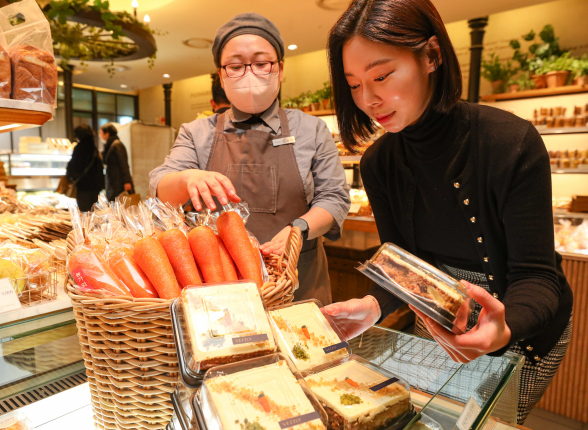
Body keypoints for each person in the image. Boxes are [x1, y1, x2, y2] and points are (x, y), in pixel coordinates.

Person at [320, 0, 573, 424]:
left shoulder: (509, 142)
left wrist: (502, 329)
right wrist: (372, 304)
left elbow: (538, 277)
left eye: (382, 76)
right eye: (354, 84)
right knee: (431, 418)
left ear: (432, 55)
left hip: (522, 322)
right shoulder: (378, 163)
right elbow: (404, 268)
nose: (369, 99)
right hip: (439, 319)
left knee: (486, 421)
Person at [149, 13, 350, 305]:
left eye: (261, 63)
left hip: (298, 284)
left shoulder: (311, 129)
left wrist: (299, 229)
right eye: (236, 65)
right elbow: (160, 186)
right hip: (220, 288)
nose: (249, 73)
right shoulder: (197, 133)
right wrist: (186, 178)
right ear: (221, 74)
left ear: (280, 69)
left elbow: (334, 198)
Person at [65, 124, 104, 211]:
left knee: (84, 211)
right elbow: (99, 167)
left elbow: (74, 165)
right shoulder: (94, 147)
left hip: (83, 185)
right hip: (95, 186)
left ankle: (85, 225)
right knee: (93, 210)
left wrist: (70, 177)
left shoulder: (79, 148)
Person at [100, 123, 134, 202]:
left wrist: (127, 181)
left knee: (119, 205)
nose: (99, 135)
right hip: (114, 182)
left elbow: (124, 163)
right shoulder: (111, 145)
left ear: (107, 134)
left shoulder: (116, 144)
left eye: (101, 133)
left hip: (118, 182)